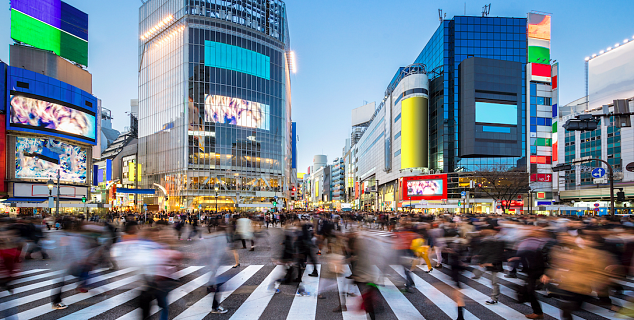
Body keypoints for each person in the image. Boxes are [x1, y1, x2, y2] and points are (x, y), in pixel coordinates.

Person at [477, 228, 505, 305]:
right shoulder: (492, 241)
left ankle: (494, 298)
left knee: (494, 282)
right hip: (492, 263)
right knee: (493, 281)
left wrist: (491, 262)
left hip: (494, 264)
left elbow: (494, 253)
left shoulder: (494, 242)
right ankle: (495, 297)